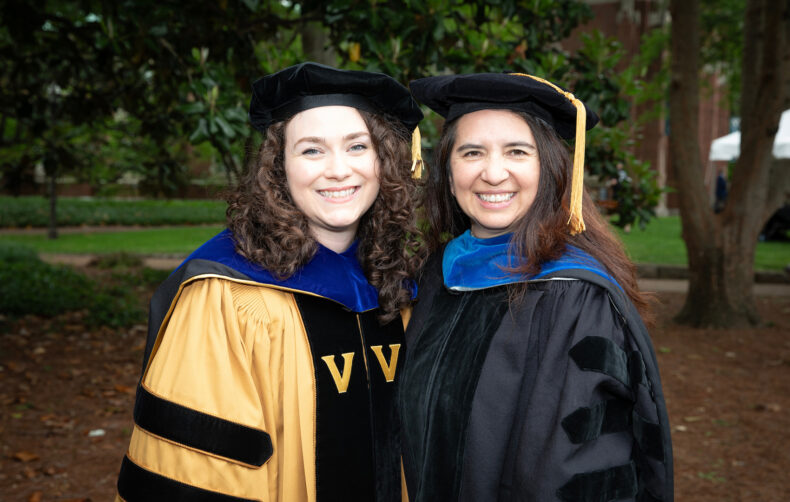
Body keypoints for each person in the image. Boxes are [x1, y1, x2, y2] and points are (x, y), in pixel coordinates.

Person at [115, 62, 424, 502]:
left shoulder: (400, 277)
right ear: (277, 166)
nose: (338, 170)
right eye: (311, 150)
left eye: (358, 146)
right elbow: (198, 470)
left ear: (385, 160)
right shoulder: (224, 295)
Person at [398, 73, 673, 501]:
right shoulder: (436, 276)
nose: (493, 172)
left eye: (517, 152)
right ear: (448, 171)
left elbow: (573, 470)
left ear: (549, 167)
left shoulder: (574, 298)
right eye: (472, 152)